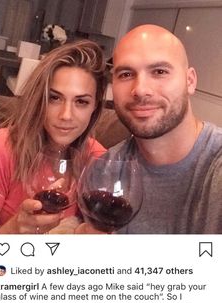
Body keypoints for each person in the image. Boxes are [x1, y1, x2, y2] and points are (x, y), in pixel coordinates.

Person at [77, 24, 222, 234]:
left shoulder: (215, 168)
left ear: (190, 81)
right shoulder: (103, 173)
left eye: (160, 71)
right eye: (126, 74)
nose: (141, 90)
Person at [0, 40, 106, 234]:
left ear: (95, 107)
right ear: (39, 99)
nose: (66, 115)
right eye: (54, 98)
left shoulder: (98, 160)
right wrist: (15, 228)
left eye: (81, 101)